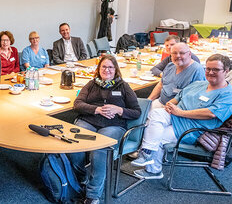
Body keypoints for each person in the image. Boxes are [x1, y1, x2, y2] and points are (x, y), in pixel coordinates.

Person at [132, 54, 232, 179]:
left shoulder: (228, 94)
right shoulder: (199, 84)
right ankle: (147, 153)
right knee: (155, 113)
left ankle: (153, 168)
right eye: (208, 69)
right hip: (175, 116)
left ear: (226, 71)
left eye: (215, 69)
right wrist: (170, 104)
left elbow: (211, 113)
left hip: (192, 128)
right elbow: (178, 97)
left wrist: (181, 113)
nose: (210, 72)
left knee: (158, 136)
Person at [70, 54, 141, 204]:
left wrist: (118, 109)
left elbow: (136, 111)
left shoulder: (123, 86)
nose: (107, 70)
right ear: (98, 68)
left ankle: (93, 194)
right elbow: (77, 104)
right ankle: (80, 179)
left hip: (113, 125)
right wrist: (96, 109)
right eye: (103, 67)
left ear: (115, 69)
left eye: (110, 67)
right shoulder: (91, 84)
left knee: (100, 149)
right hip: (89, 121)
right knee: (75, 144)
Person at [147, 43, 205, 110]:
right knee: (140, 114)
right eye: (174, 53)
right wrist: (149, 100)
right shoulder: (170, 66)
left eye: (181, 53)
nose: (178, 56)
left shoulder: (197, 70)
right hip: (160, 102)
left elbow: (194, 98)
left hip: (178, 109)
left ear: (189, 54)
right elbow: (161, 84)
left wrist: (173, 109)